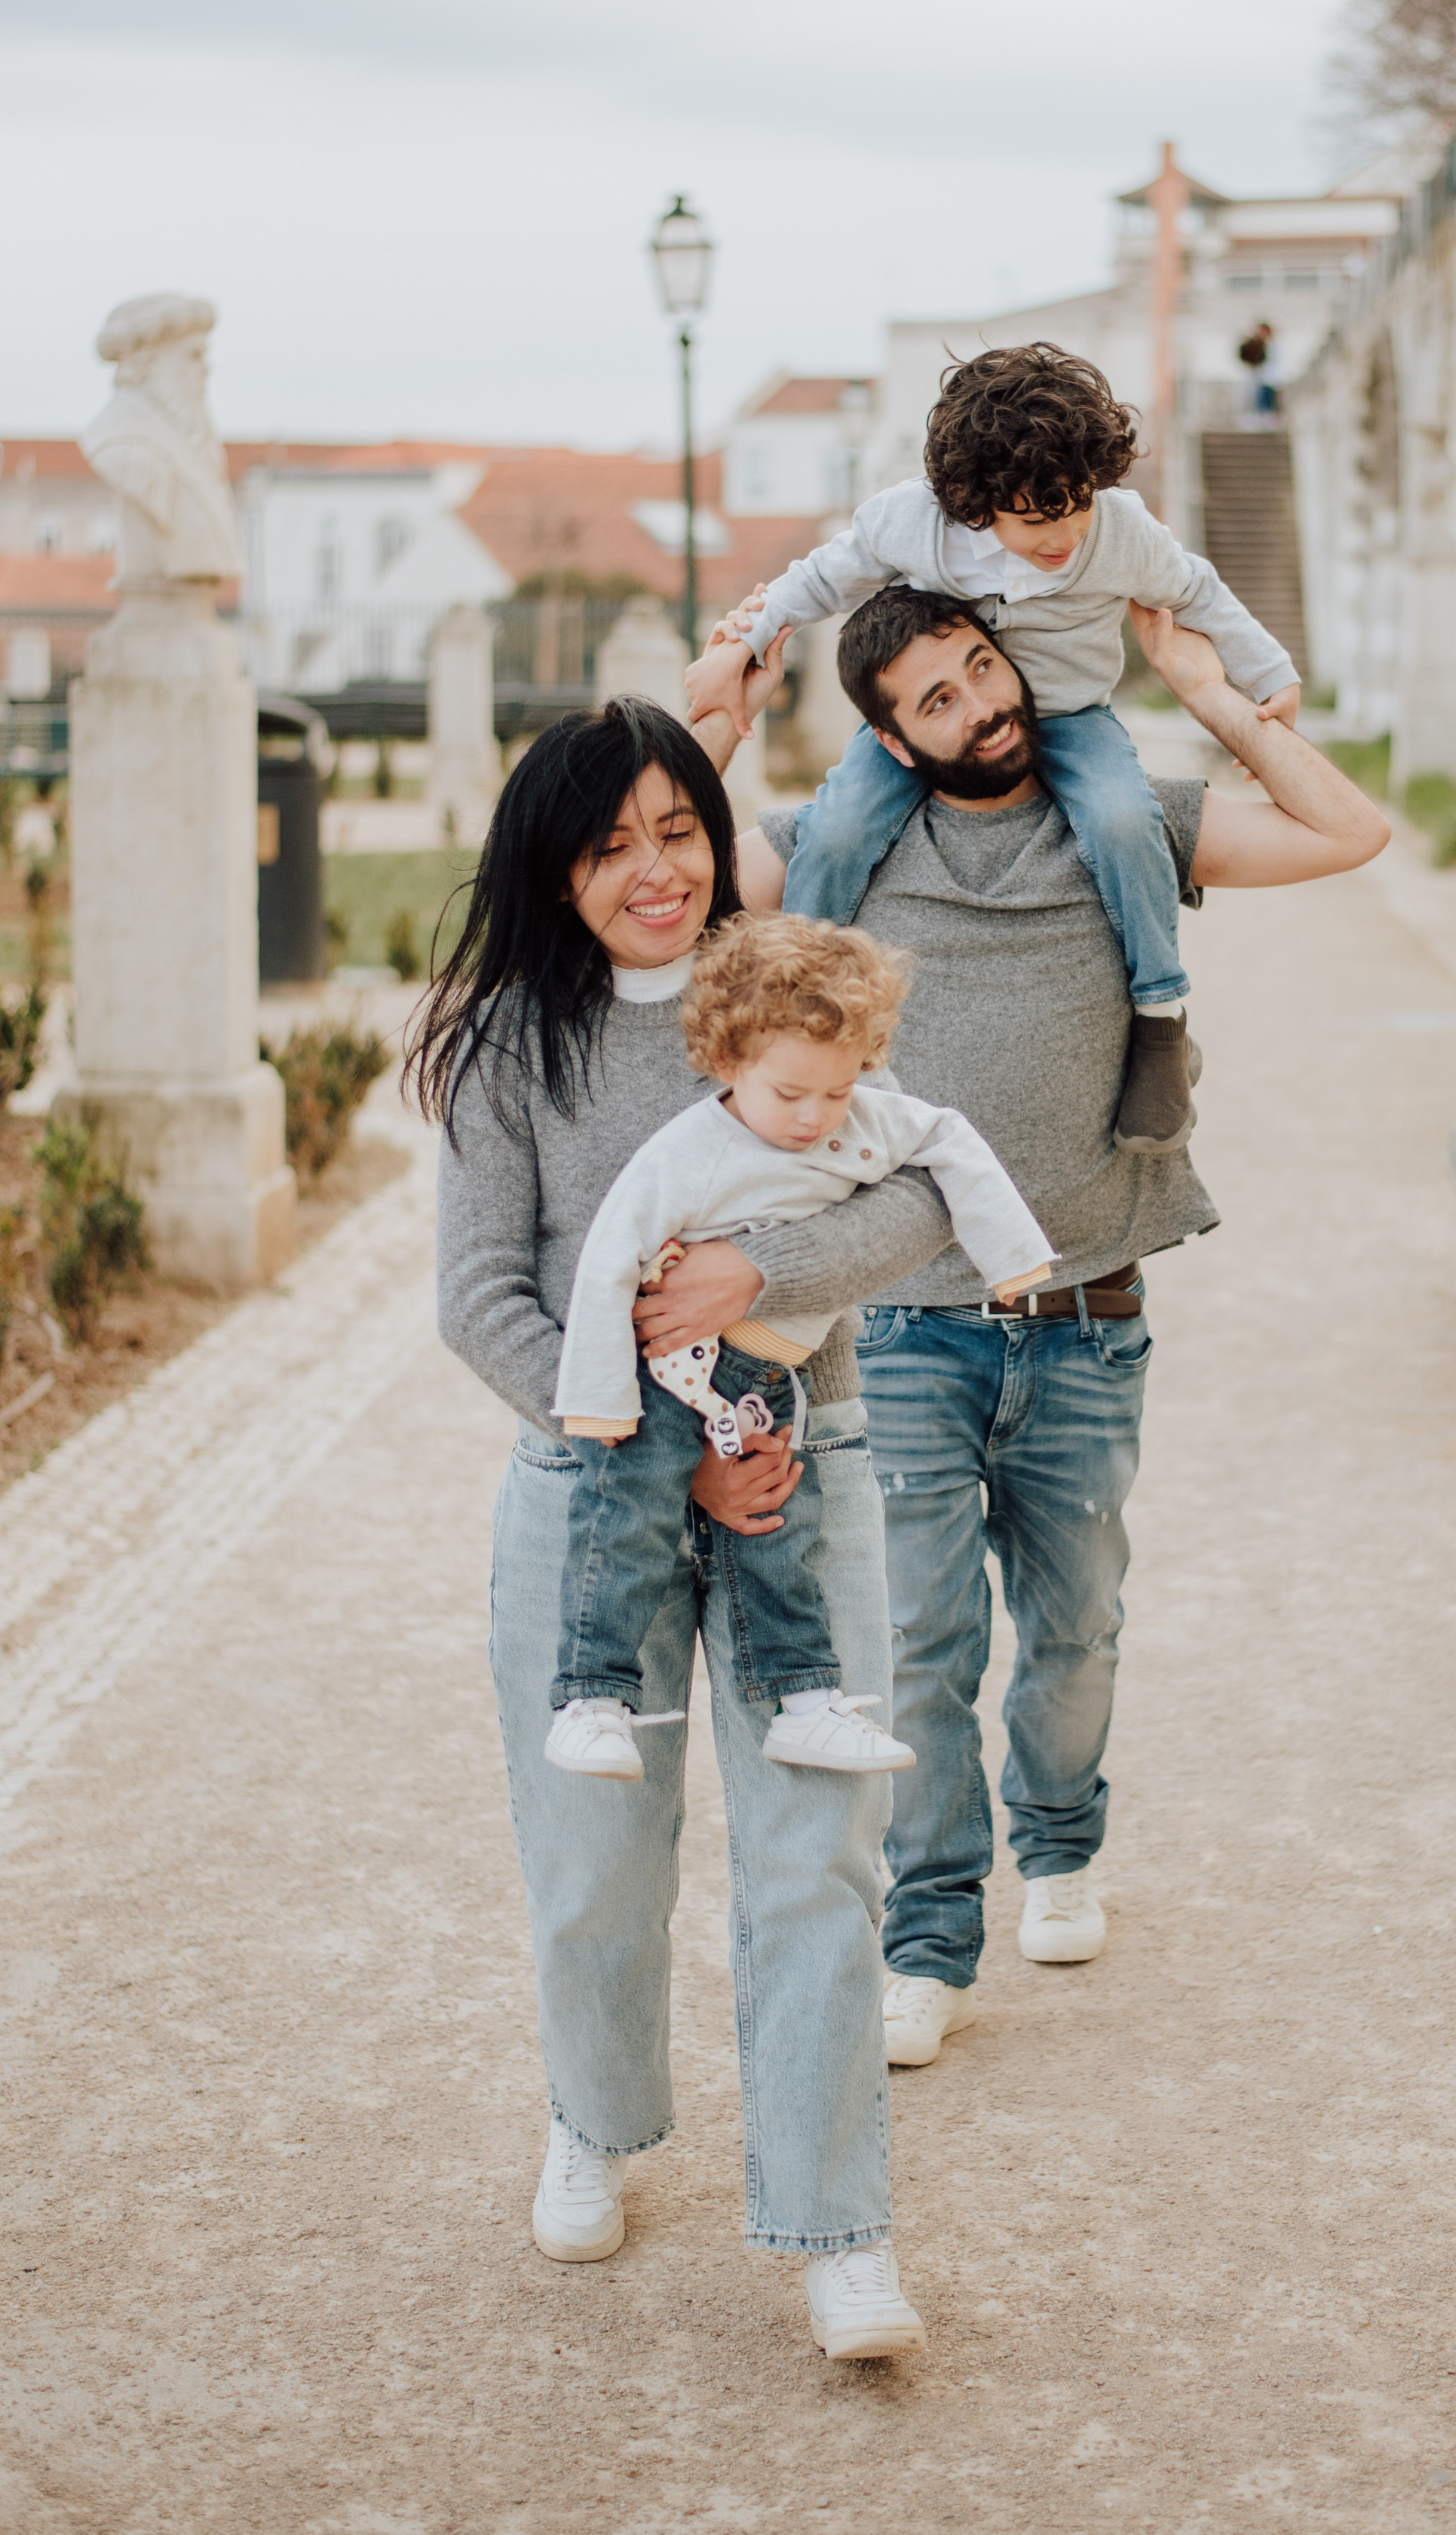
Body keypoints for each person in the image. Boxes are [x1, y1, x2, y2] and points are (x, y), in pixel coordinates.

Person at [692, 588, 1389, 2068]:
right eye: (931, 700)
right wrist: (725, 717)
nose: (977, 709)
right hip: (902, 1332)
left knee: (1073, 1628)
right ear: (885, 737)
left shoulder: (1118, 824)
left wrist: (1206, 692)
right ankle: (930, 1930)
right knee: (929, 1644)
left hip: (1086, 1312)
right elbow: (682, 883)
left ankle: (1061, 1847)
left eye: (980, 672)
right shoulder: (843, 848)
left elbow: (1347, 833)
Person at [415, 693, 960, 2357]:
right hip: (594, 1493)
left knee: (819, 1861)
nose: (655, 869)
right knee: (590, 1862)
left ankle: (837, 2230)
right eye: (610, 842)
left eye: (679, 829)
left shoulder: (789, 981)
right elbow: (477, 1301)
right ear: (552, 866)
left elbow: (927, 1192)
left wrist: (762, 1283)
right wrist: (664, 1439)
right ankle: (591, 2117)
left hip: (810, 1465)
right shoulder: (510, 1041)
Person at [683, 342, 1301, 1155]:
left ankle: (1159, 1015)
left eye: (1077, 505)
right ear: (975, 504)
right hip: (941, 726)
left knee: (1125, 823)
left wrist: (1270, 677)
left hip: (1072, 719)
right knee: (835, 832)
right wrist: (741, 644)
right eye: (1034, 519)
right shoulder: (912, 522)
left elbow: (1199, 592)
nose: (1064, 537)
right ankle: (799, 1003)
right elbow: (818, 579)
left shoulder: (1119, 531)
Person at [546, 911, 1053, 1781]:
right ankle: (591, 1701)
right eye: (790, 1095)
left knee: (783, 1528)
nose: (817, 1118)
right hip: (667, 1370)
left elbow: (946, 1140)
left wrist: (1011, 1257)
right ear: (727, 1058)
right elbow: (605, 1263)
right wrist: (600, 1400)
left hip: (765, 1378)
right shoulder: (688, 1153)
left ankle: (805, 1700)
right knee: (625, 1518)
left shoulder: (863, 1118)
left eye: (839, 1090)